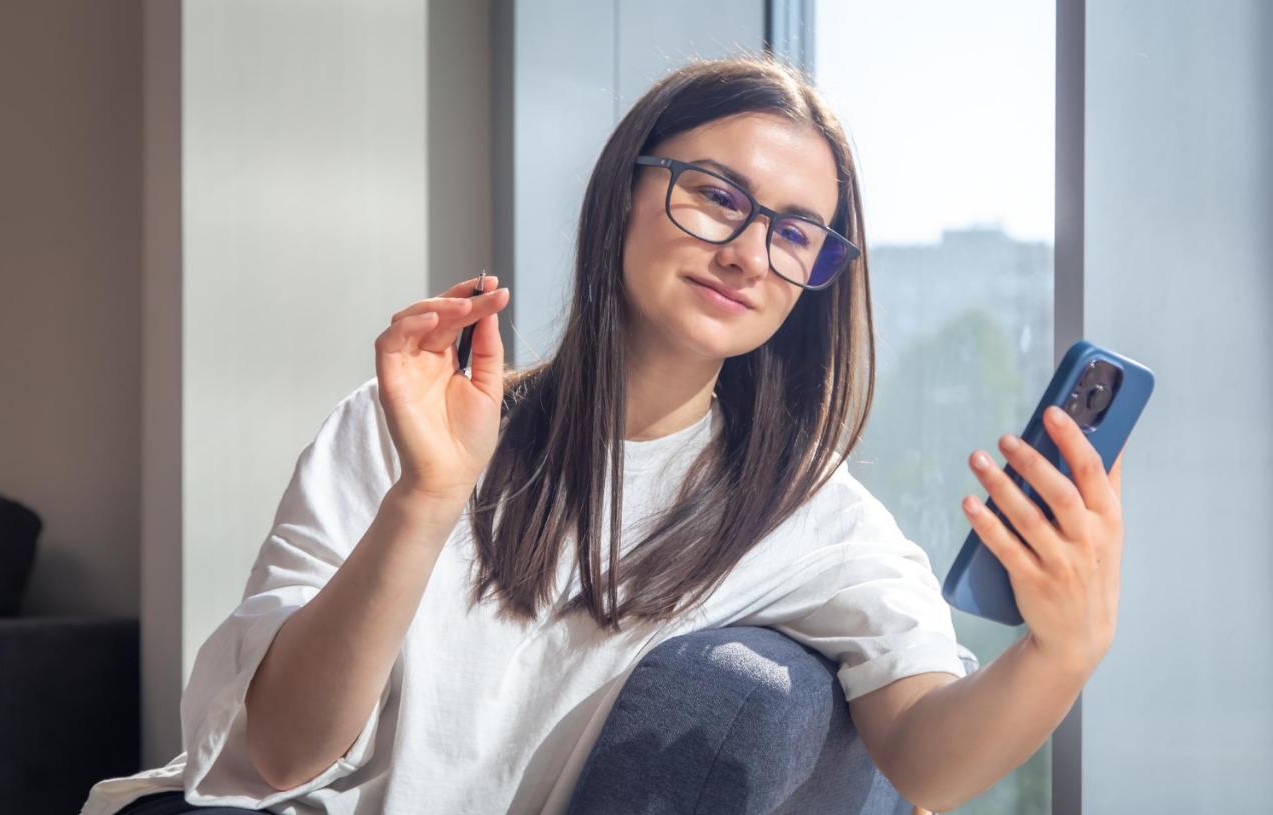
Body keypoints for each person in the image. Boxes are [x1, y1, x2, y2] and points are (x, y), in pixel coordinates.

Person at [82, 52, 1125, 815]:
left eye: (793, 232)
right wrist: (426, 498)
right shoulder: (402, 428)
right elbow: (276, 753)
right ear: (623, 191)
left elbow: (928, 761)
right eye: (716, 195)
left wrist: (1060, 648)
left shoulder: (807, 517)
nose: (747, 252)